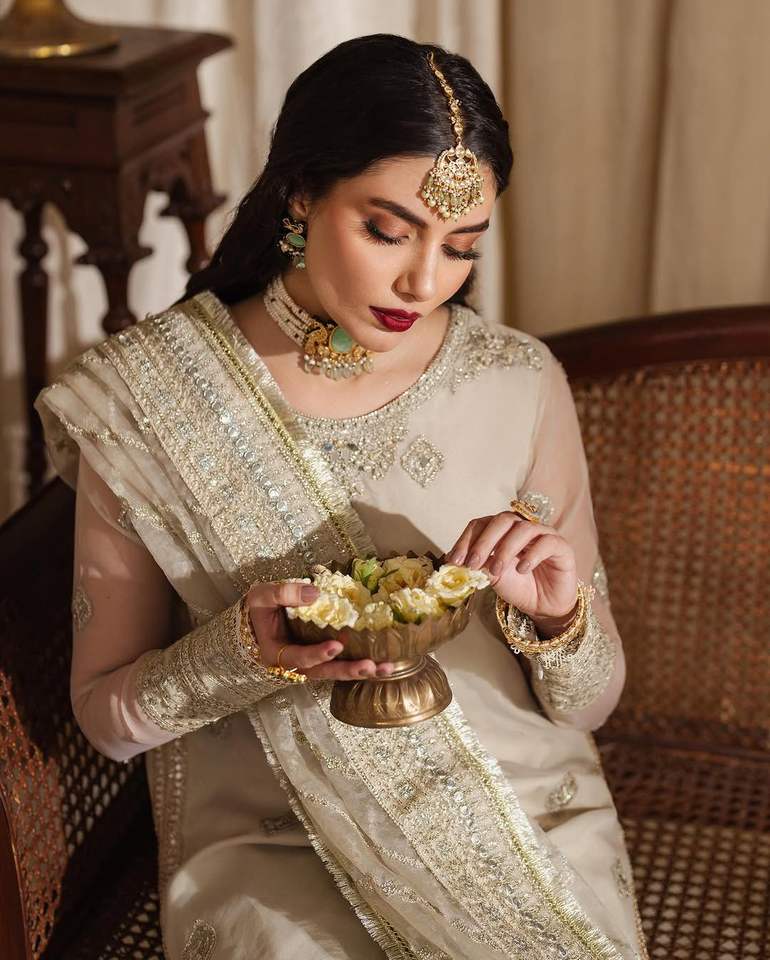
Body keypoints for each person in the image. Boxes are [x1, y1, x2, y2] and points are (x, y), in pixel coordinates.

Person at [36, 33, 648, 960]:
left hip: (518, 820)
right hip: (275, 837)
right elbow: (106, 722)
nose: (424, 282)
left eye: (461, 247)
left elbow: (590, 708)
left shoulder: (519, 379)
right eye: (388, 232)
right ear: (300, 193)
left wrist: (560, 618)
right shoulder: (149, 395)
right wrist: (243, 655)